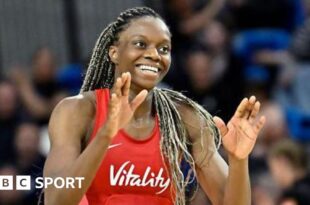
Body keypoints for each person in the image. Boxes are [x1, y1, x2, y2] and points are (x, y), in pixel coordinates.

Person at [43, 7, 266, 205]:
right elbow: (56, 200)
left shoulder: (184, 117)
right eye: (141, 44)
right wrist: (105, 135)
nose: (154, 55)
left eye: (164, 49)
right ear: (114, 52)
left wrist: (238, 160)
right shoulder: (77, 111)